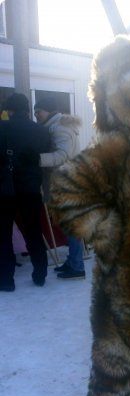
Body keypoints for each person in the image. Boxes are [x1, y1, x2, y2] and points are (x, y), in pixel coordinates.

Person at [0, 93, 50, 291]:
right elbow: (42, 158)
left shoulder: (2, 128)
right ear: (28, 109)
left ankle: (6, 280)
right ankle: (40, 274)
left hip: (4, 189)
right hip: (30, 189)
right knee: (34, 231)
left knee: (3, 235)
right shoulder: (41, 131)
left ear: (9, 110)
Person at [34, 97, 85, 280]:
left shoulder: (60, 128)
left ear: (48, 111)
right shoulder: (57, 126)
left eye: (38, 111)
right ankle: (73, 262)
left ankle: (77, 266)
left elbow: (63, 155)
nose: (36, 115)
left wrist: (39, 159)